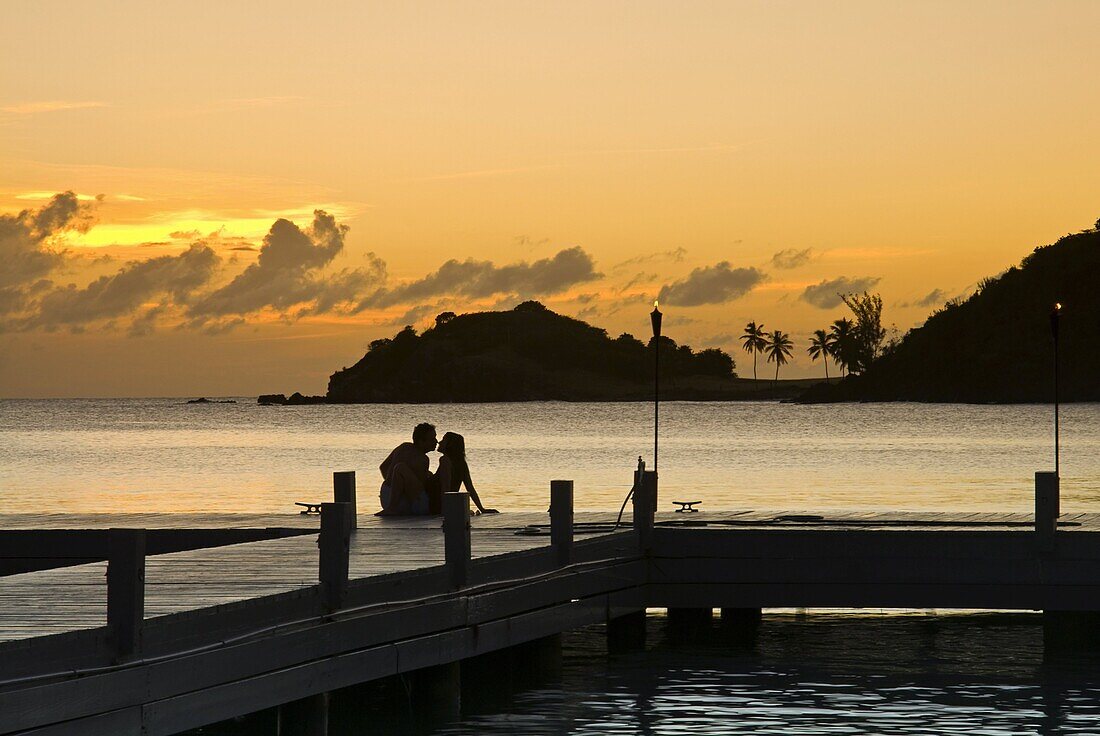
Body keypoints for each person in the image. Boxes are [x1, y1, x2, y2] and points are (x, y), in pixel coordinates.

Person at [378, 423, 438, 515]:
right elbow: (419, 489)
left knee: (426, 474)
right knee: (400, 468)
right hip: (402, 503)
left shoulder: (403, 447)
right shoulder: (423, 459)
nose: (436, 442)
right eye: (432, 439)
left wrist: (394, 485)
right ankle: (392, 507)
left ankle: (392, 505)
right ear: (421, 441)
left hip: (385, 496)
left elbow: (383, 467)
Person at [436, 432, 498, 515]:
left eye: (443, 440)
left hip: (440, 503)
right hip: (449, 503)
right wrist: (481, 508)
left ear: (450, 445)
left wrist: (444, 511)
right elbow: (470, 488)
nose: (439, 442)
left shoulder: (445, 460)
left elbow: (445, 487)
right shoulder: (461, 463)